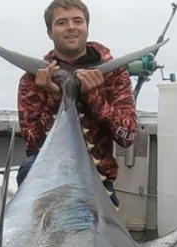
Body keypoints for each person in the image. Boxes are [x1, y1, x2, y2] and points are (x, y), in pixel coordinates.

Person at [16, 0, 139, 206]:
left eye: (77, 21)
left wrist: (93, 98)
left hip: (97, 183)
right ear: (50, 32)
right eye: (62, 23)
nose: (71, 27)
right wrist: (55, 100)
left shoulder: (114, 74)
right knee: (29, 167)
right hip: (46, 179)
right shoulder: (33, 79)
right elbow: (32, 145)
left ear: (87, 28)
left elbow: (128, 136)